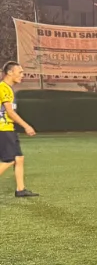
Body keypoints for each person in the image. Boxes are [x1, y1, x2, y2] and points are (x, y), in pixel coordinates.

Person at [0, 61, 38, 197]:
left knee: (19, 158)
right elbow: (10, 112)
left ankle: (20, 190)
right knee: (9, 160)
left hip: (8, 128)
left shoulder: (8, 88)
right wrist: (26, 126)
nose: (23, 75)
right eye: (20, 72)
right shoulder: (3, 88)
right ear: (10, 72)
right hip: (3, 129)